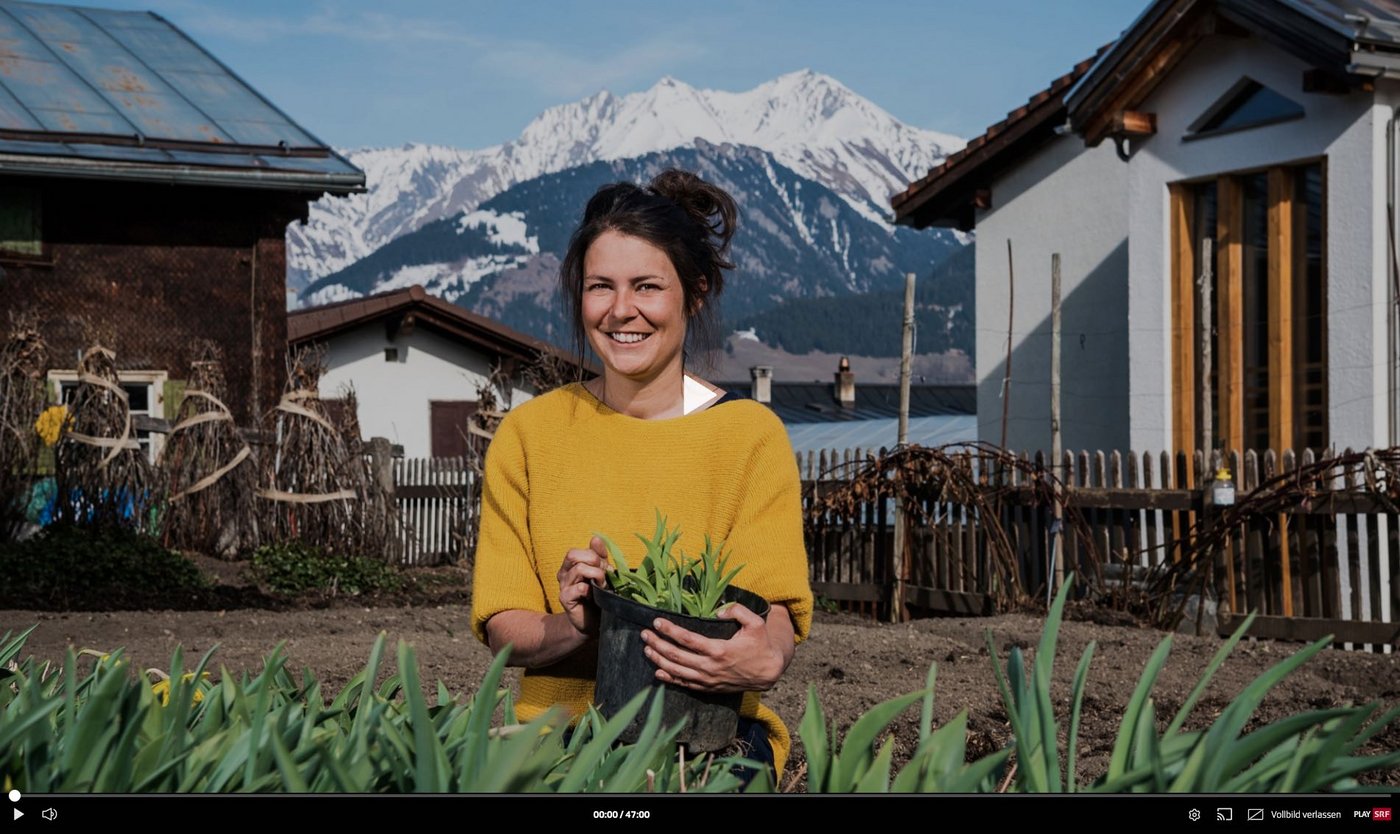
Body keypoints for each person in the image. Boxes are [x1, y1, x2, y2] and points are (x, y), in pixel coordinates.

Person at [469, 168, 813, 782]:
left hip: (707, 740)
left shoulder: (748, 437)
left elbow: (775, 610)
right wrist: (572, 625)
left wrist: (767, 655)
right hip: (558, 744)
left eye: (647, 286)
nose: (621, 310)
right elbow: (503, 626)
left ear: (695, 292)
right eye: (601, 287)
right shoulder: (529, 436)